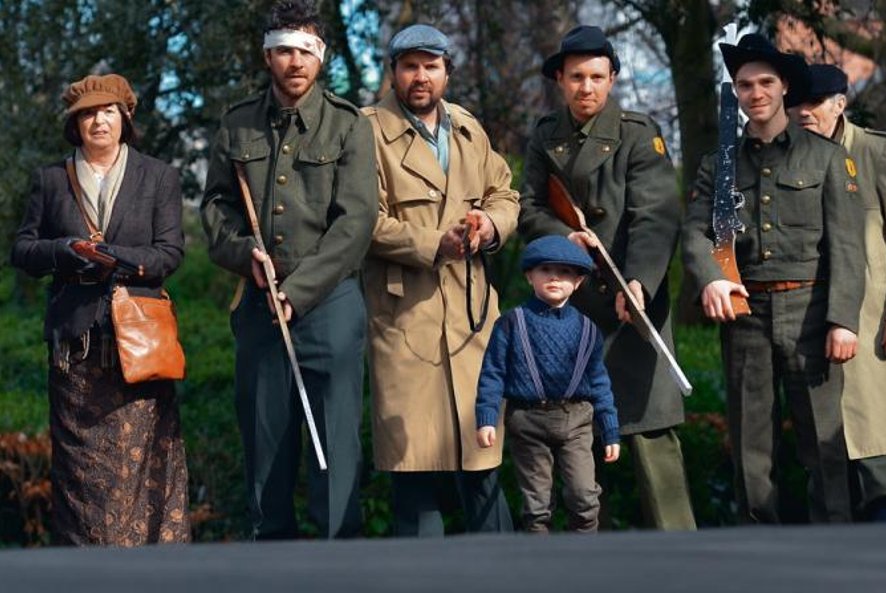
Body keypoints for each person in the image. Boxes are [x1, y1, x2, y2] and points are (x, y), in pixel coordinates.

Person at [201, 0, 377, 539]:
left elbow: (356, 222)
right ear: (266, 56)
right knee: (266, 449)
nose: (294, 62)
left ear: (319, 57)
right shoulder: (237, 125)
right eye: (283, 51)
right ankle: (271, 564)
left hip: (330, 307)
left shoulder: (349, 125)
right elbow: (215, 208)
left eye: (305, 50)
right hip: (258, 307)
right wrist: (240, 253)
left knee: (336, 455)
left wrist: (298, 292)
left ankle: (340, 567)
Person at [681, 34, 866, 523]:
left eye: (765, 81)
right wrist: (711, 279)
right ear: (736, 92)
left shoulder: (826, 158)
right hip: (746, 315)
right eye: (744, 84)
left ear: (784, 86)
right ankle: (759, 555)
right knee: (750, 451)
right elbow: (696, 233)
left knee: (824, 447)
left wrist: (842, 319)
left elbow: (848, 247)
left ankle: (836, 553)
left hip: (810, 313)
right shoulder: (719, 165)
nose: (755, 92)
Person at [518, 25, 696, 530]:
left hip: (633, 305)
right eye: (576, 77)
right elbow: (529, 206)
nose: (586, 87)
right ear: (560, 79)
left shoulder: (639, 133)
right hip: (569, 313)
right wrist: (561, 239)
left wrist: (638, 282)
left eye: (597, 76)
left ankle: (682, 562)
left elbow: (657, 216)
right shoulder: (544, 135)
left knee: (650, 439)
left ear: (613, 78)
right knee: (575, 446)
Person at [11, 74, 190, 545]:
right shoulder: (50, 179)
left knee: (146, 466)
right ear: (76, 124)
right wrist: (64, 251)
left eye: (108, 111)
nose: (98, 120)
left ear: (124, 118)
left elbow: (170, 253)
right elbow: (23, 251)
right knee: (80, 477)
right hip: (75, 349)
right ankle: (87, 573)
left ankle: (151, 574)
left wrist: (119, 257)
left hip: (139, 346)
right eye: (88, 113)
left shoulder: (158, 176)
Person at [362, 24, 519, 537]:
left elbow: (505, 193)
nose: (421, 76)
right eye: (410, 66)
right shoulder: (366, 133)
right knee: (415, 472)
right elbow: (364, 221)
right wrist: (434, 245)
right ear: (393, 73)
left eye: (431, 66)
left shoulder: (470, 130)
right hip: (406, 318)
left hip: (473, 321)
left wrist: (491, 224)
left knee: (483, 466)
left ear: (447, 71)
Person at [788, 64, 886, 521]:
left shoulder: (876, 152)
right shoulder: (787, 157)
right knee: (825, 476)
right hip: (810, 331)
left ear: (840, 103)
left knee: (883, 468)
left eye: (814, 104)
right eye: (797, 105)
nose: (804, 113)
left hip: (875, 330)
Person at [476, 235, 620, 533]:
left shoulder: (587, 329)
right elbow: (493, 372)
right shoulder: (511, 322)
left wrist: (610, 430)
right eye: (545, 270)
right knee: (536, 505)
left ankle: (582, 558)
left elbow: (599, 382)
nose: (555, 277)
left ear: (578, 282)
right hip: (527, 421)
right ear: (530, 276)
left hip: (577, 419)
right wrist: (487, 418)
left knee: (584, 497)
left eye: (565, 272)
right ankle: (539, 565)